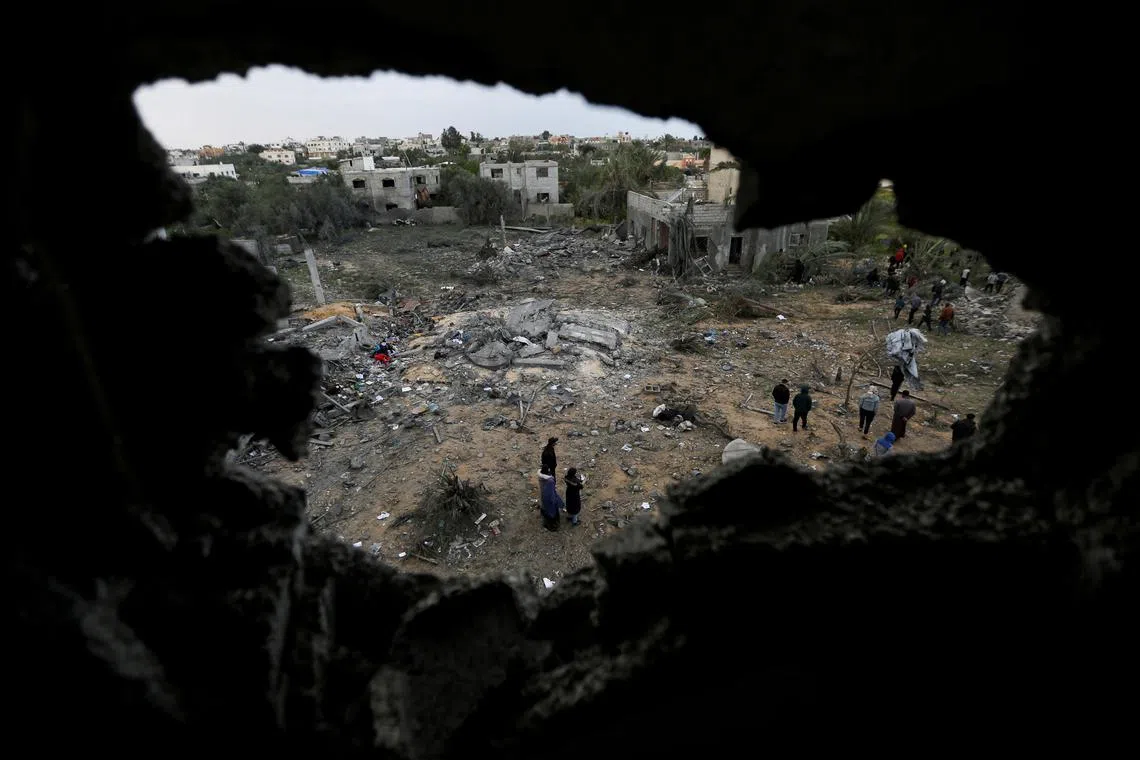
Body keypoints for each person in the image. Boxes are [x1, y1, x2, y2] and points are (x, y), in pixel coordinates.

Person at [538, 467, 563, 532]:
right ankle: (552, 526)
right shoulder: (550, 482)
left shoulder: (540, 477)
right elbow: (551, 495)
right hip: (549, 501)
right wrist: (555, 500)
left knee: (546, 511)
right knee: (551, 513)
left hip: (543, 497)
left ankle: (547, 523)